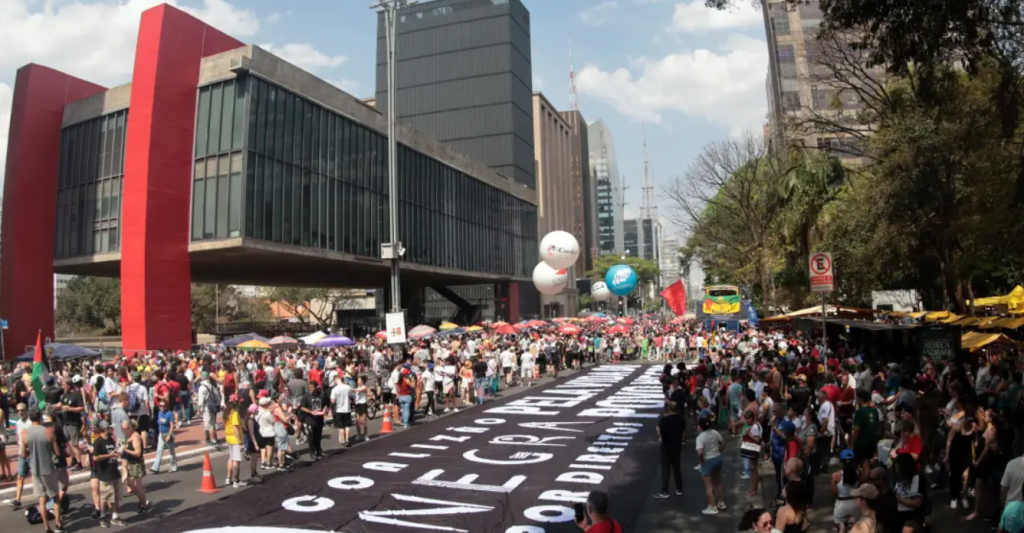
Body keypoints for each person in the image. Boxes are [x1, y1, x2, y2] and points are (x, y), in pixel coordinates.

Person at [23, 408, 64, 533]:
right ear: (40, 417)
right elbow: (57, 452)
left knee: (41, 499)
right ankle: (58, 523)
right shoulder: (48, 431)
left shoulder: (24, 433)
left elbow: (24, 454)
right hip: (48, 468)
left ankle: (47, 527)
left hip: (35, 470)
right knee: (55, 498)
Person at [91, 420, 125, 527]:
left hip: (114, 471)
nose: (111, 429)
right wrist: (109, 455)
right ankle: (102, 516)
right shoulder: (98, 442)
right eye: (109, 428)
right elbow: (96, 457)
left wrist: (119, 450)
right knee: (105, 497)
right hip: (105, 474)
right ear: (105, 429)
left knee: (115, 496)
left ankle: (115, 516)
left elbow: (113, 452)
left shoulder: (111, 439)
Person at [654, 401, 685, 499]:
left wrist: (659, 433)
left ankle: (665, 491)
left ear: (669, 409)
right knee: (677, 468)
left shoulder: (664, 420)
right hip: (677, 446)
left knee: (665, 470)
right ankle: (679, 489)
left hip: (666, 447)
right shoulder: (681, 419)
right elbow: (683, 431)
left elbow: (658, 431)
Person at [696, 415, 726, 514]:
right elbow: (723, 442)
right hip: (718, 458)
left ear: (700, 426)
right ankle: (721, 502)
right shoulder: (714, 432)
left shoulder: (700, 438)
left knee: (708, 485)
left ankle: (713, 507)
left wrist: (701, 462)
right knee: (717, 481)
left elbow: (700, 452)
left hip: (708, 460)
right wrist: (719, 451)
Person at [119, 419, 150, 512]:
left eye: (127, 428)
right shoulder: (128, 437)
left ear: (131, 427)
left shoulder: (135, 437)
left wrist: (125, 449)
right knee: (129, 483)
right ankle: (142, 500)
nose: (125, 431)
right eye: (123, 429)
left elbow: (137, 453)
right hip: (130, 463)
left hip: (137, 463)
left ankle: (143, 503)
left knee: (138, 485)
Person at [223, 395, 248, 487]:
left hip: (229, 437)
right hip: (235, 439)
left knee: (232, 458)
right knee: (236, 460)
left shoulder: (226, 412)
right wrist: (240, 441)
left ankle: (228, 478)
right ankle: (236, 481)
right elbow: (235, 428)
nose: (240, 402)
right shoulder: (234, 413)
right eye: (239, 401)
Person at [150, 400, 178, 473]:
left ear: (166, 406)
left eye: (164, 406)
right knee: (159, 451)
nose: (162, 407)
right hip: (161, 434)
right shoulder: (159, 413)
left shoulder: (169, 414)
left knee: (171, 451)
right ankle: (155, 467)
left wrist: (169, 435)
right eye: (160, 406)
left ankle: (174, 466)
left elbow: (172, 425)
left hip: (167, 433)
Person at [331, 374, 354, 446]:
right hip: (347, 409)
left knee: (341, 427)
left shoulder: (334, 389)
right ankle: (347, 440)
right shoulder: (348, 387)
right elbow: (352, 396)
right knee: (347, 425)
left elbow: (332, 401)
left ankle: (343, 440)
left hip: (339, 410)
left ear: (335, 380)